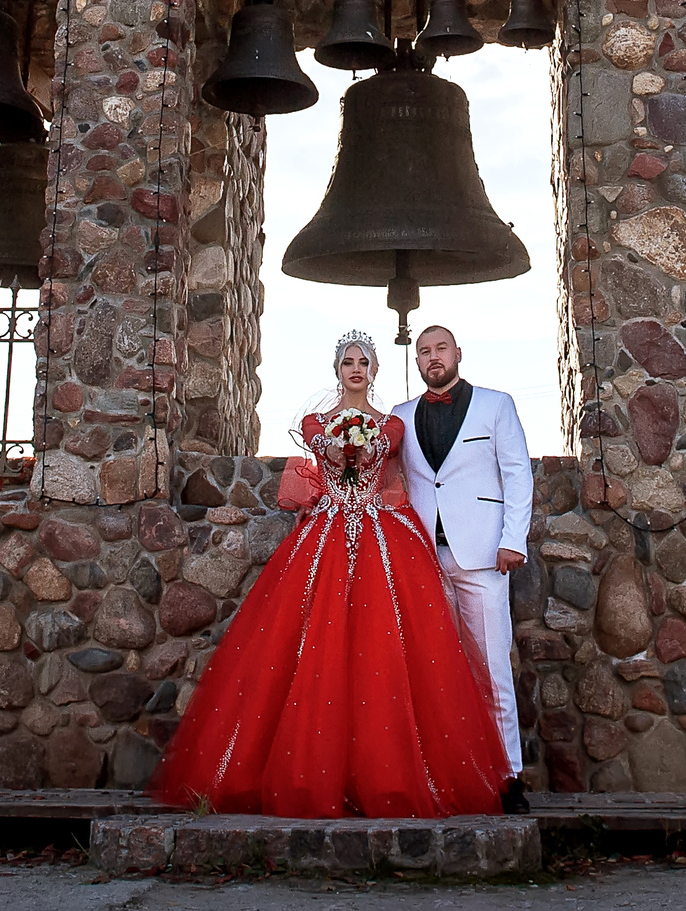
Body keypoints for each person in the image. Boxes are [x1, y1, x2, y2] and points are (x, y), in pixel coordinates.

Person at [146, 330, 512, 818]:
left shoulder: (392, 426)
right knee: (312, 644)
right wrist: (337, 455)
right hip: (328, 534)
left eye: (364, 362)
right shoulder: (315, 422)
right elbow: (321, 466)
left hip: (384, 538)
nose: (356, 369)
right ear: (337, 370)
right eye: (348, 362)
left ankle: (409, 773)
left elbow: (399, 474)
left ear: (375, 370)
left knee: (386, 650)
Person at [390, 322, 534, 815]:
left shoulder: (497, 405)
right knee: (433, 673)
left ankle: (508, 776)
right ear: (417, 362)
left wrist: (513, 541)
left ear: (458, 353)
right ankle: (445, 776)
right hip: (422, 561)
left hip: (483, 557)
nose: (433, 357)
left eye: (441, 348)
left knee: (492, 669)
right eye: (424, 351)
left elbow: (518, 474)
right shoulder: (400, 417)